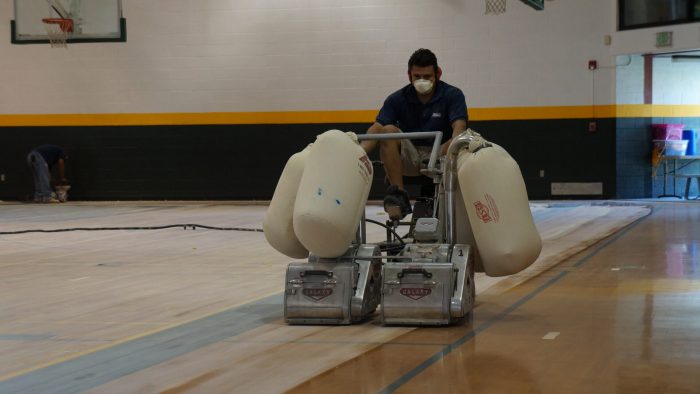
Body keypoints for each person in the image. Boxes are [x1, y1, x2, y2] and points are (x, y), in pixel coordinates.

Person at [361, 48, 468, 218]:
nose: (422, 81)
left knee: (461, 139)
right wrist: (358, 153)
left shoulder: (452, 95)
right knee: (387, 131)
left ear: (438, 74)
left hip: (440, 155)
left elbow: (459, 128)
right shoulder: (397, 98)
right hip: (411, 156)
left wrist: (443, 152)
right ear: (409, 75)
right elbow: (376, 127)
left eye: (427, 76)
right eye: (417, 76)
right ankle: (398, 197)